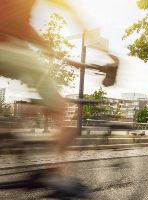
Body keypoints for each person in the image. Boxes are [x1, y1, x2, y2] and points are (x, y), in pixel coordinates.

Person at [0, 0, 90, 197]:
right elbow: (19, 24)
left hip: (11, 46)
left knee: (42, 95)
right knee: (61, 106)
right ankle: (59, 176)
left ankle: (12, 131)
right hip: (7, 46)